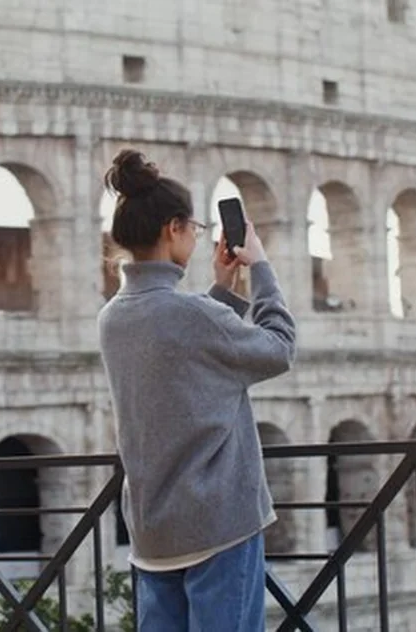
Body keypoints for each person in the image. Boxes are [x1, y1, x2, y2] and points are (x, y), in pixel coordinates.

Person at [97, 148, 297, 630]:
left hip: (154, 532)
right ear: (174, 229)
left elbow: (179, 353)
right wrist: (262, 268)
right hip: (218, 525)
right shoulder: (194, 316)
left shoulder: (112, 318)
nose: (197, 236)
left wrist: (223, 292)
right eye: (195, 228)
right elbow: (279, 348)